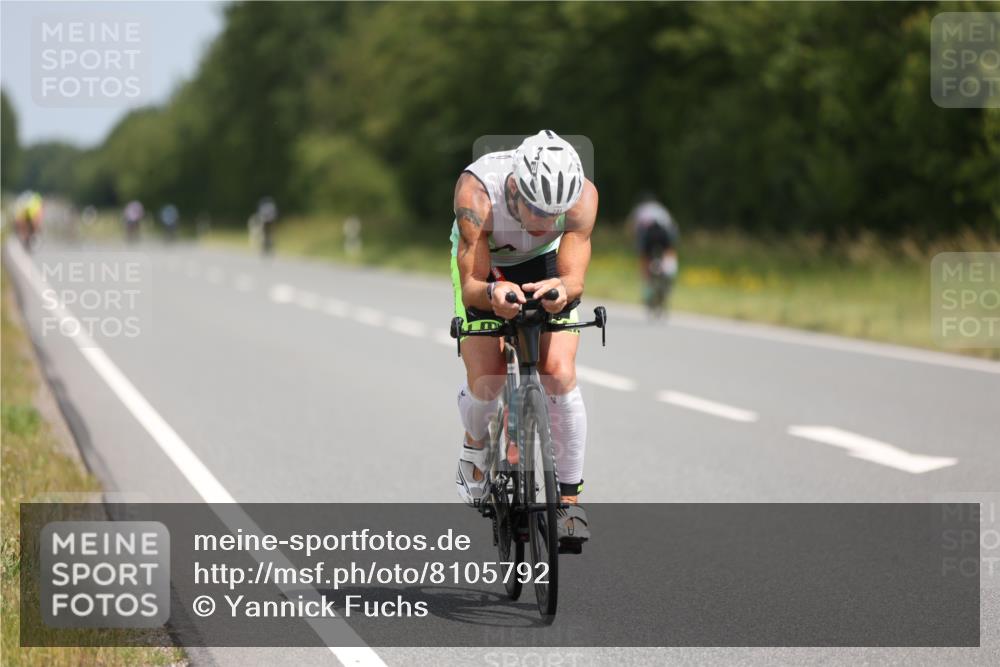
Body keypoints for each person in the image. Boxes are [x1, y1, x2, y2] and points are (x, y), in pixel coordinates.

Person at [450, 130, 597, 549]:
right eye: (536, 209)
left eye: (555, 214)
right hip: (488, 265)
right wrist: (493, 294)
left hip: (544, 262)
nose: (546, 222)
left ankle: (568, 503)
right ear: (515, 187)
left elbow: (573, 277)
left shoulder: (582, 198)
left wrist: (563, 290)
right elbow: (472, 287)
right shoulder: (477, 193)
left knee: (560, 373)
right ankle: (476, 443)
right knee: (488, 377)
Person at [629, 193, 679, 312]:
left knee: (644, 258)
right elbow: (672, 227)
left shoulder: (640, 209)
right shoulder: (661, 209)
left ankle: (647, 289)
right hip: (664, 232)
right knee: (669, 252)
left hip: (647, 234)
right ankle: (670, 271)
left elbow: (631, 227)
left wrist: (635, 243)